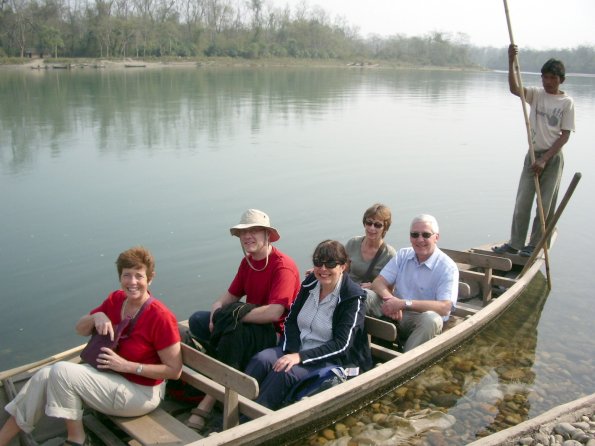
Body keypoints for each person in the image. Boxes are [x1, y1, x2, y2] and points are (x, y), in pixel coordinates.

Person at [0, 246, 182, 446]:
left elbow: (174, 371)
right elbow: (80, 329)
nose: (132, 282)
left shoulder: (160, 317)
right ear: (120, 277)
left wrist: (127, 366)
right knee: (44, 375)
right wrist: (96, 316)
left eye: (139, 276)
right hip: (110, 379)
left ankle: (77, 440)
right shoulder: (116, 299)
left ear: (150, 278)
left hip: (140, 393)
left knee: (61, 371)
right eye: (126, 275)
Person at [186, 209, 300, 430]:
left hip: (275, 333)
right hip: (248, 324)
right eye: (243, 232)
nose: (248, 236)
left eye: (254, 230)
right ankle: (229, 359)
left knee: (234, 332)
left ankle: (208, 401)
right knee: (198, 320)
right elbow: (231, 296)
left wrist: (233, 316)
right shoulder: (247, 262)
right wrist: (217, 307)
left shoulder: (282, 266)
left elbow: (274, 313)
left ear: (267, 234)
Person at [244, 240, 372, 410]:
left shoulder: (352, 298)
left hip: (332, 358)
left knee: (284, 373)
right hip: (299, 347)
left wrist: (300, 358)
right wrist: (292, 351)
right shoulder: (310, 283)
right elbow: (290, 320)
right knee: (262, 360)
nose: (323, 269)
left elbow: (342, 345)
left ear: (343, 266)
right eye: (318, 263)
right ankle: (231, 408)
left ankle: (252, 420)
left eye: (331, 263)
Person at [492, 44, 575, 257]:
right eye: (545, 78)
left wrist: (545, 159)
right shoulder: (537, 95)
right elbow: (514, 89)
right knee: (522, 202)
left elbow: (564, 135)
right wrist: (511, 61)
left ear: (561, 80)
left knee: (544, 205)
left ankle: (534, 245)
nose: (548, 82)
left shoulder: (567, 102)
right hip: (532, 155)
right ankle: (515, 243)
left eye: (553, 79)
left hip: (552, 157)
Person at [371, 215, 458, 352]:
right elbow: (378, 283)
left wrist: (403, 303)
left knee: (432, 319)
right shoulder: (403, 255)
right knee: (366, 295)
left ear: (436, 237)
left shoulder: (447, 267)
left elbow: (445, 307)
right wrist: (392, 300)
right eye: (415, 235)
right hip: (396, 312)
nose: (420, 239)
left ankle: (403, 363)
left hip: (421, 319)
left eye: (426, 235)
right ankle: (356, 350)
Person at [345, 203, 396, 317]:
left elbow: (391, 290)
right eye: (369, 223)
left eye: (377, 225)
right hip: (349, 291)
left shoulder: (389, 254)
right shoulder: (353, 243)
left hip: (371, 298)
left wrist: (373, 285)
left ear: (384, 228)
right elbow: (341, 269)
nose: (372, 228)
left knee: (364, 294)